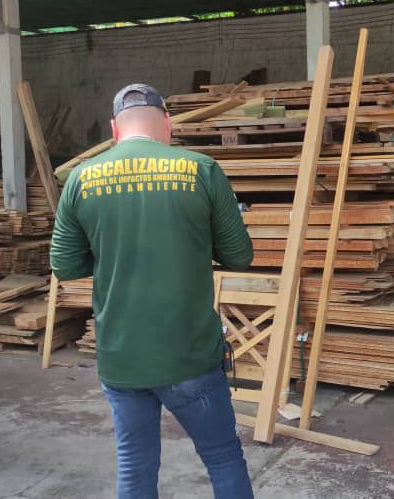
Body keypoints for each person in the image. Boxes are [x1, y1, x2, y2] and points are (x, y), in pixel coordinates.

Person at [50, 84, 255, 499]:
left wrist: (110, 257)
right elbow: (239, 256)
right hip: (189, 355)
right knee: (222, 457)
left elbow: (65, 266)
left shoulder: (80, 178)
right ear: (167, 123)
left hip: (122, 357)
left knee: (135, 463)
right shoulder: (200, 169)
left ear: (114, 128)